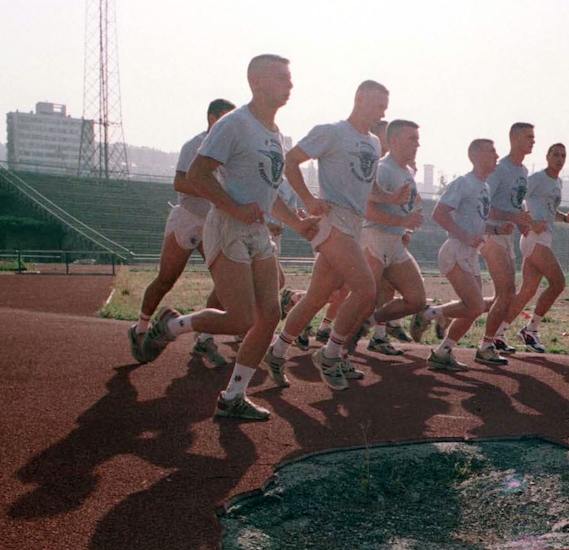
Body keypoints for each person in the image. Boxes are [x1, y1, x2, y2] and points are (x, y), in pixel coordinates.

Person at [138, 54, 319, 420]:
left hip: (258, 232)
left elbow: (269, 192)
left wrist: (299, 224)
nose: (290, 85)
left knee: (269, 315)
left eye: (290, 77)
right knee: (241, 319)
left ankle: (232, 396)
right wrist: (235, 208)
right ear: (257, 82)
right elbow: (197, 174)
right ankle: (171, 326)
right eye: (281, 77)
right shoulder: (234, 124)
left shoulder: (274, 135)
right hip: (227, 227)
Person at [265, 80, 388, 391]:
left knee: (317, 297)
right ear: (359, 99)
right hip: (331, 221)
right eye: (377, 105)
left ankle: (277, 352)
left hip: (354, 224)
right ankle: (330, 353)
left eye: (385, 107)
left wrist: (393, 199)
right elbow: (290, 161)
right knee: (365, 289)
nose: (382, 112)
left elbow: (369, 185)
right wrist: (307, 199)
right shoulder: (332, 131)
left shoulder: (374, 143)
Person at [129, 98, 236, 366]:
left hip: (214, 222)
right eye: (226, 117)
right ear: (212, 118)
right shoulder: (195, 145)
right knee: (166, 279)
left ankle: (204, 338)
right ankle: (140, 329)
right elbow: (179, 182)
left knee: (227, 282)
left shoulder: (231, 150)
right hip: (188, 218)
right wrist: (213, 192)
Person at [421, 138, 501, 370]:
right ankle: (430, 314)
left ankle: (442, 352)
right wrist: (465, 237)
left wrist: (494, 229)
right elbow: (439, 214)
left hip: (470, 254)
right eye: (491, 151)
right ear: (475, 156)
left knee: (473, 309)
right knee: (475, 306)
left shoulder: (484, 187)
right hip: (454, 250)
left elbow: (475, 221)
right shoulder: (463, 183)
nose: (496, 155)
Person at [361, 119, 427, 356]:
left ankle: (369, 326)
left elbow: (409, 204)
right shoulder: (382, 169)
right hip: (374, 239)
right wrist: (402, 222)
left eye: (418, 139)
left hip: (395, 243)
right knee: (360, 299)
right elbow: (366, 210)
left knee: (416, 300)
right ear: (395, 140)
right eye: (412, 138)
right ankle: (336, 352)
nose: (417, 144)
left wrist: (407, 226)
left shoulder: (407, 171)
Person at [507, 142, 569, 353]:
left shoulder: (557, 182)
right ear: (547, 157)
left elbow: (549, 211)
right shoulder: (537, 178)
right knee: (558, 283)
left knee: (527, 291)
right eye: (556, 154)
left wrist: (566, 218)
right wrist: (529, 223)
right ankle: (531, 329)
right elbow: (515, 200)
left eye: (563, 156)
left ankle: (498, 334)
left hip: (544, 238)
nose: (559, 159)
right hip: (534, 239)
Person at [478, 122, 537, 359]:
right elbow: (483, 204)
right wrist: (510, 216)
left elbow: (515, 203)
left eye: (534, 137)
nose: (532, 141)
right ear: (513, 138)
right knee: (506, 293)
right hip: (490, 234)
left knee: (505, 295)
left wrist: (521, 222)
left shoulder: (522, 171)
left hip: (507, 236)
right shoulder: (499, 169)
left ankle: (441, 313)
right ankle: (486, 345)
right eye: (528, 137)